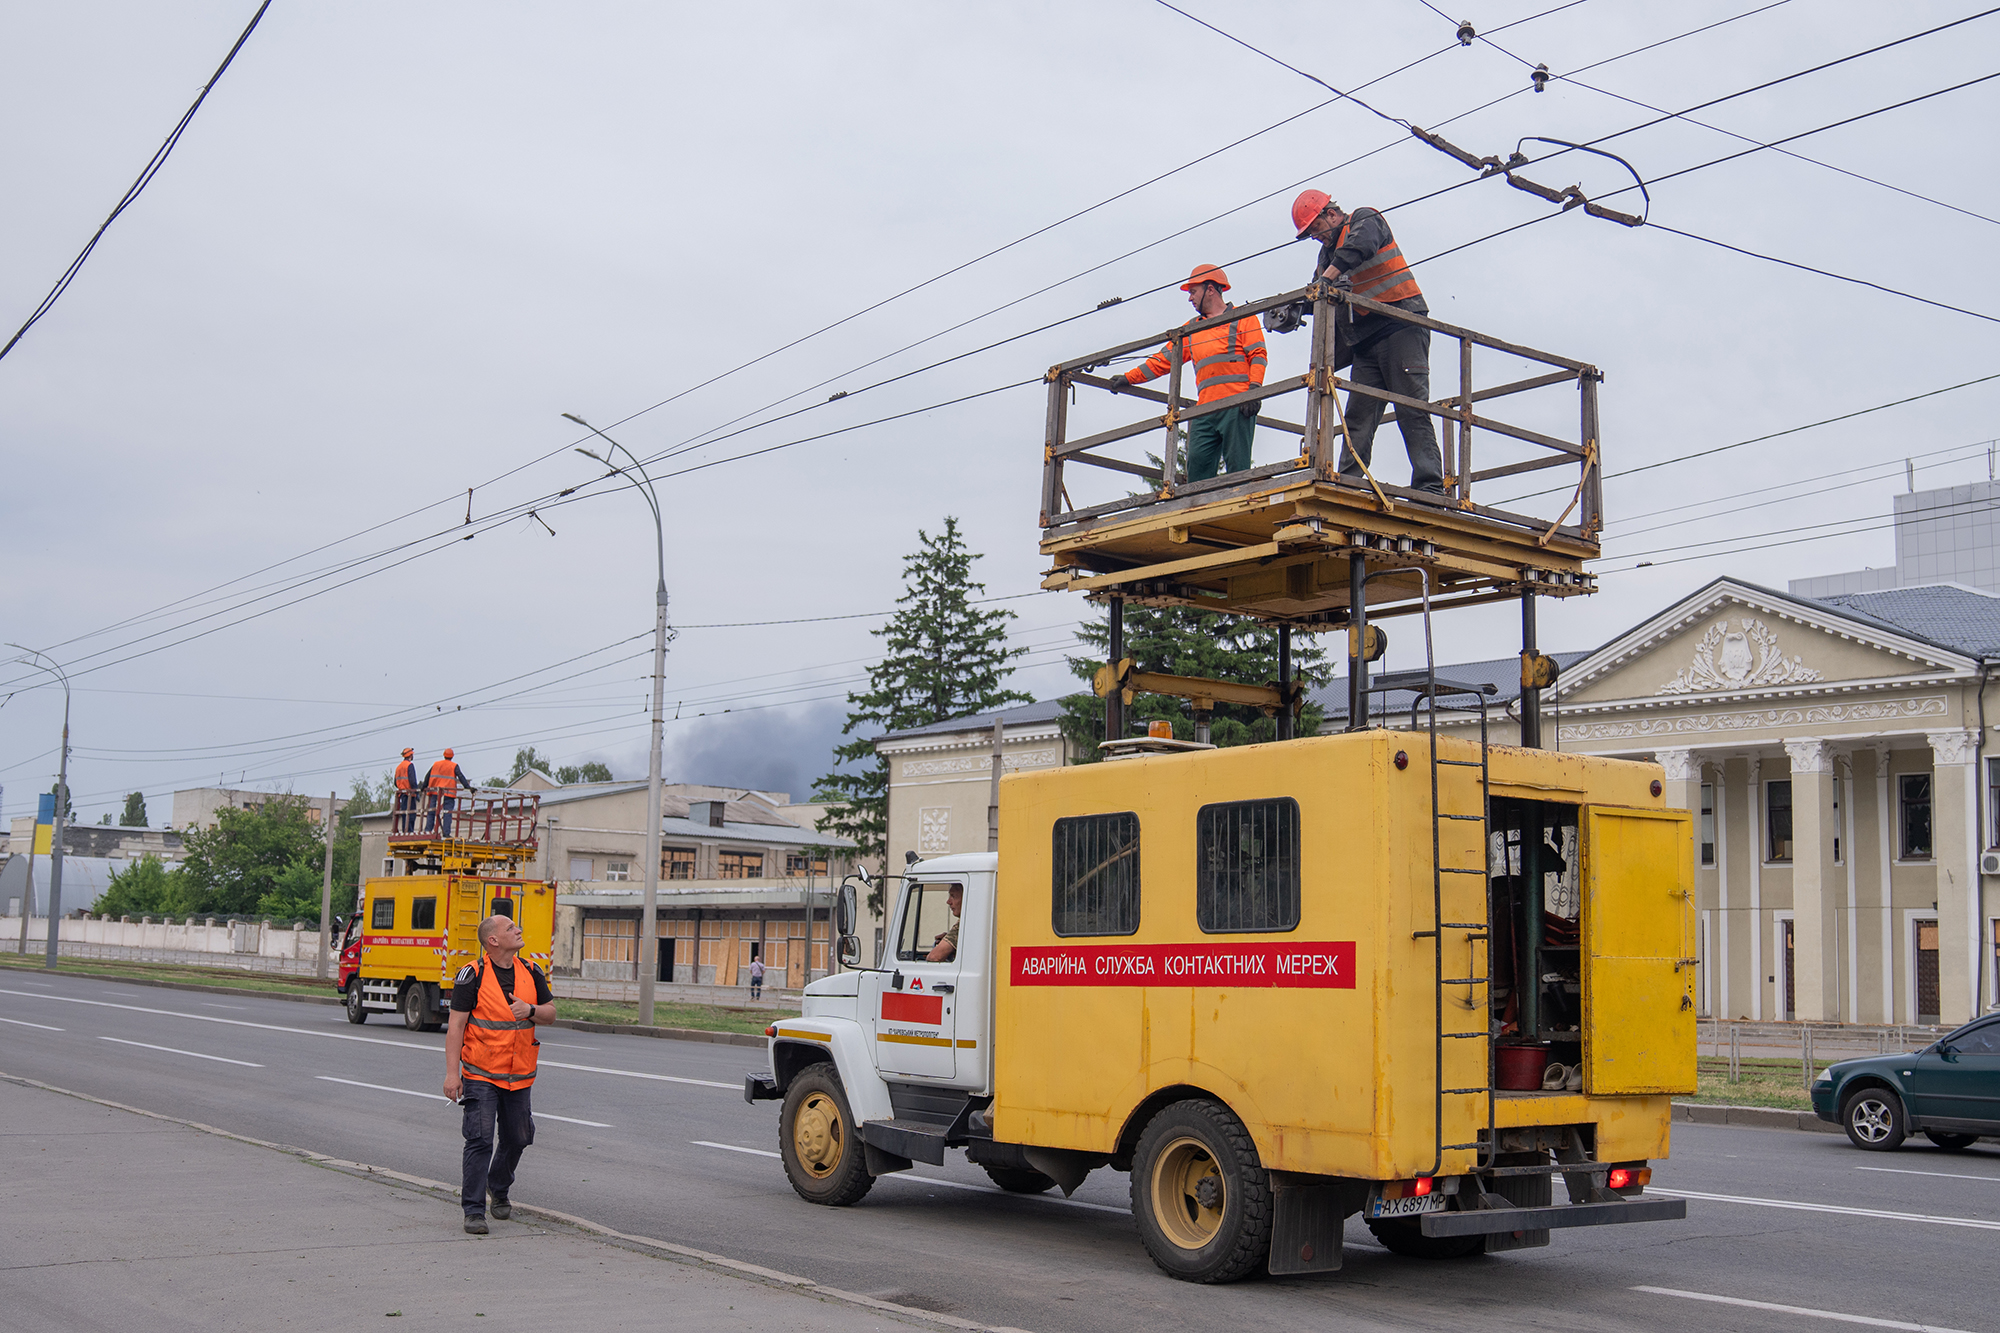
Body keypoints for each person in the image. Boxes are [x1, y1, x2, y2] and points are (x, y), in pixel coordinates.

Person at [1291, 190, 1444, 496]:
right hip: (1366, 338)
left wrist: (1327, 280)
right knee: (1358, 416)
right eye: (1309, 234)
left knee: (1410, 406)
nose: (1315, 238)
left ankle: (1430, 485)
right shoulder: (1326, 257)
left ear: (1330, 215)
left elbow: (1357, 249)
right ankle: (1349, 482)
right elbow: (1318, 293)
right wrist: (1293, 308)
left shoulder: (1364, 220)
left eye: (1315, 230)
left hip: (1401, 322)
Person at [444, 914, 554, 1234]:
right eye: (510, 928)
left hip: (520, 1074)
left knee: (519, 1137)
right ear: (493, 941)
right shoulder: (472, 974)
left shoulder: (532, 971)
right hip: (481, 1073)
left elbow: (550, 1014)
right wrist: (453, 1075)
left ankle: (498, 1185)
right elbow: (456, 1027)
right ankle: (474, 1210)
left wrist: (530, 1010)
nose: (518, 930)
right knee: (479, 1139)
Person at [1112, 264, 1266, 482]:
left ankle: (1238, 502)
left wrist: (1254, 391)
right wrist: (1128, 378)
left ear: (1210, 289)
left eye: (1193, 291)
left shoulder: (1243, 318)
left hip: (1237, 404)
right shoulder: (1191, 329)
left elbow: (1258, 355)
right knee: (1197, 467)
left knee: (1238, 471)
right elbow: (1162, 361)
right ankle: (1199, 509)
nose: (1190, 298)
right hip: (1205, 410)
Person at [426, 747, 473, 836]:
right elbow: (461, 776)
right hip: (448, 794)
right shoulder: (454, 766)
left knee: (432, 811)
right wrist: (468, 787)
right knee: (447, 813)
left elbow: (427, 776)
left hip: (435, 793)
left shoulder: (436, 764)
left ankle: (428, 831)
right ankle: (446, 833)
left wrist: (423, 787)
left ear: (444, 755)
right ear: (452, 756)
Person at [925, 883, 963, 963]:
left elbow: (934, 957)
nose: (948, 902)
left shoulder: (964, 925)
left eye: (953, 896)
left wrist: (949, 940)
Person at [392, 747, 422, 833]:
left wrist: (401, 787)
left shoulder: (398, 767)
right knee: (411, 813)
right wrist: (416, 793)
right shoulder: (409, 766)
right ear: (410, 755)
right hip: (410, 794)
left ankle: (405, 830)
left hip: (402, 794)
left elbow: (395, 782)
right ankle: (409, 830)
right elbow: (413, 781)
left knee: (404, 812)